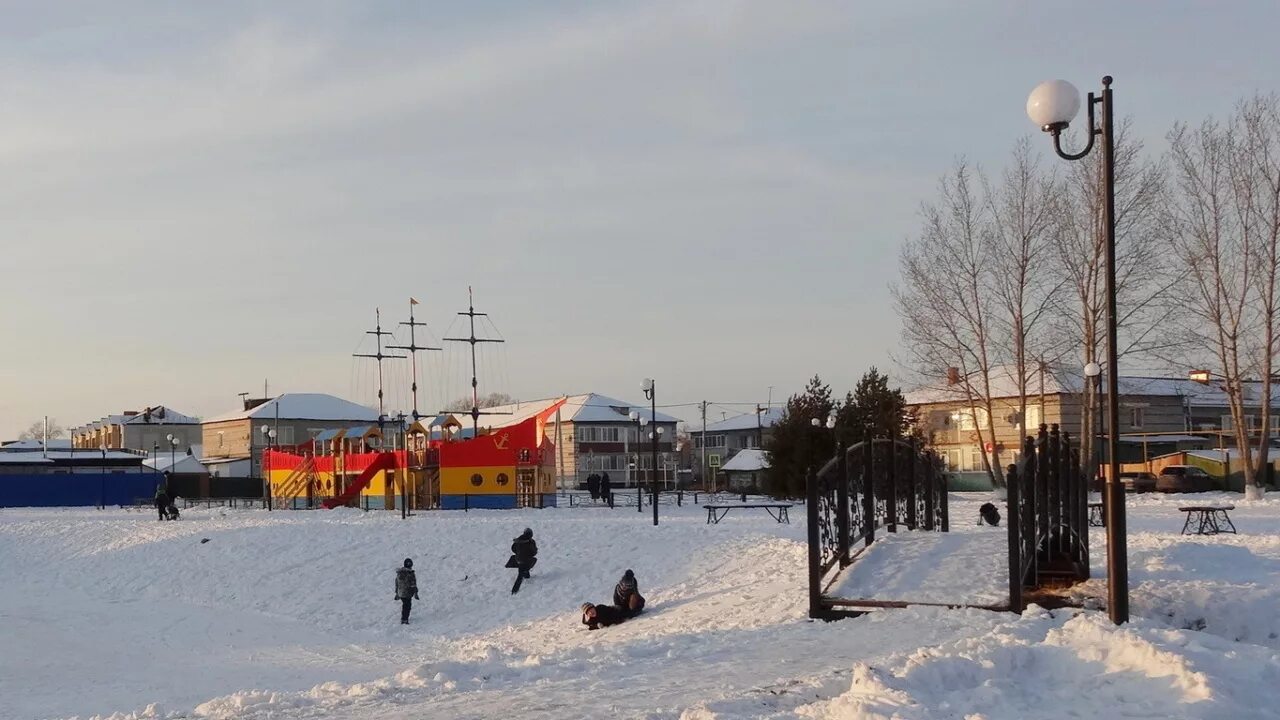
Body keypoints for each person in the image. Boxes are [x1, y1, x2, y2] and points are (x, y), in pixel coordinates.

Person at [507, 528, 538, 594]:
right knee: (520, 575)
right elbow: (533, 552)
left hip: (518, 559)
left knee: (524, 569)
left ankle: (527, 578)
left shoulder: (519, 539)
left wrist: (518, 553)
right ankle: (514, 591)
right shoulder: (531, 542)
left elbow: (513, 548)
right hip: (526, 560)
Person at [395, 558, 420, 624]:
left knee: (405, 605)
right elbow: (413, 584)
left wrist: (397, 593)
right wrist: (415, 593)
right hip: (407, 593)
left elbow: (396, 583)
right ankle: (404, 619)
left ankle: (404, 618)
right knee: (407, 606)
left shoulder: (400, 573)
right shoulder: (410, 573)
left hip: (401, 592)